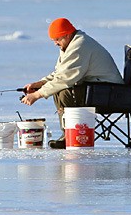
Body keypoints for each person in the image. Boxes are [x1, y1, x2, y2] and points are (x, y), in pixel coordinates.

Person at [21, 17, 123, 148]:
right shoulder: (71, 44)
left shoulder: (80, 46)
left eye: (57, 39)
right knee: (59, 89)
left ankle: (70, 135)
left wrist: (37, 95)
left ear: (67, 35)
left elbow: (65, 78)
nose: (55, 44)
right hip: (99, 88)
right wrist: (39, 84)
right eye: (53, 40)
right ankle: (68, 134)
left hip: (111, 94)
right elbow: (60, 73)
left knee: (64, 91)